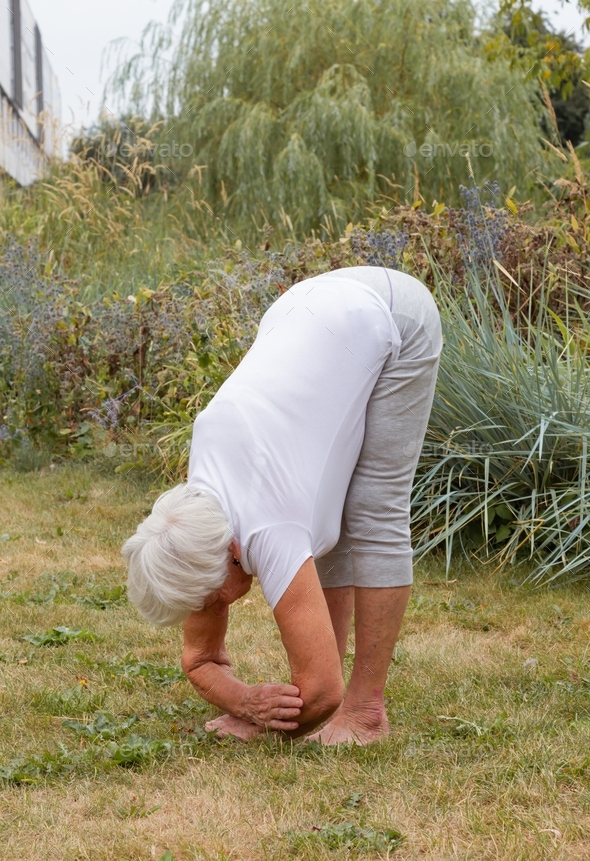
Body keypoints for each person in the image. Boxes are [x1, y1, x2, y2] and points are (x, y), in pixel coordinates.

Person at [122, 265, 442, 745]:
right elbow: (200, 660)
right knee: (322, 518)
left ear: (232, 550)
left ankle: (366, 713)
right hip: (307, 307)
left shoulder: (268, 528)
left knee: (374, 510)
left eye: (209, 599)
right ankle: (346, 701)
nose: (211, 609)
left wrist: (264, 723)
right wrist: (243, 701)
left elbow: (321, 692)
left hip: (391, 312)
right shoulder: (194, 520)